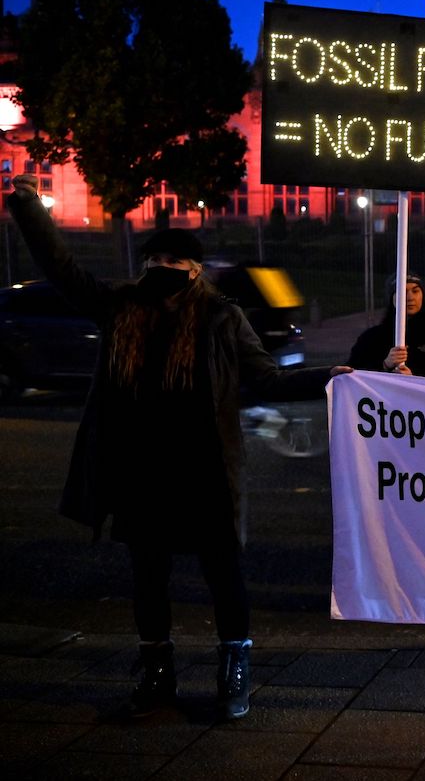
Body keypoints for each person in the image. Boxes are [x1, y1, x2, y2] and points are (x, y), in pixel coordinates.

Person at [4, 174, 351, 721]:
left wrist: (335, 377)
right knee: (148, 577)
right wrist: (27, 207)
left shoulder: (220, 317)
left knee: (224, 576)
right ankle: (157, 672)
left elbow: (267, 380)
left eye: (174, 261)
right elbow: (61, 271)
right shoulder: (120, 308)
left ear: (194, 271)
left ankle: (233, 669)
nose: (162, 268)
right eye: (155, 259)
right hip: (141, 473)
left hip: (205, 472)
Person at [348, 272, 425, 380]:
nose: (410, 297)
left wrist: (415, 381)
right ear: (391, 298)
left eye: (415, 291)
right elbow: (353, 375)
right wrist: (384, 365)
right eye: (402, 291)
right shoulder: (372, 338)